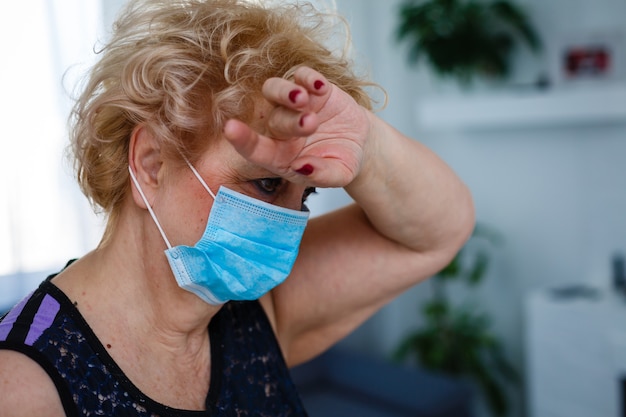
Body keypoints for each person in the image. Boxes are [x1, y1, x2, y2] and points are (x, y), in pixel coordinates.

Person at [0, 0, 474, 415]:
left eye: (304, 194)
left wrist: (368, 147)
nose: (288, 221)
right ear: (151, 164)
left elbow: (440, 232)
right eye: (267, 183)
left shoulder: (257, 310)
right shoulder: (22, 386)